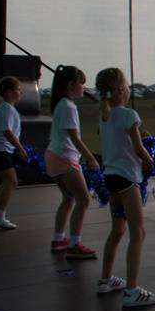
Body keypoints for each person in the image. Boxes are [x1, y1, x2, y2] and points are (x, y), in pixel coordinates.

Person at [94, 68, 155, 308]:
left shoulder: (105, 116)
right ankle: (132, 291)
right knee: (138, 232)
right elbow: (138, 146)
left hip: (111, 178)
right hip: (127, 179)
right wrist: (150, 160)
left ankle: (106, 279)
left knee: (118, 229)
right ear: (121, 90)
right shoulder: (129, 114)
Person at [46, 65, 99, 258]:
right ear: (71, 84)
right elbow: (74, 138)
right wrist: (91, 158)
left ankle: (58, 239)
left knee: (68, 199)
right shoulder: (68, 107)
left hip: (54, 156)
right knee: (83, 199)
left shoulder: (61, 104)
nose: (83, 87)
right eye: (81, 83)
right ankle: (75, 245)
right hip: (65, 158)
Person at [0, 77, 28, 230]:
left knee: (5, 181)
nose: (20, 92)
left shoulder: (7, 108)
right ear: (9, 92)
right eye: (18, 90)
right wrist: (20, 149)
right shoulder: (7, 109)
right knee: (11, 182)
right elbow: (7, 132)